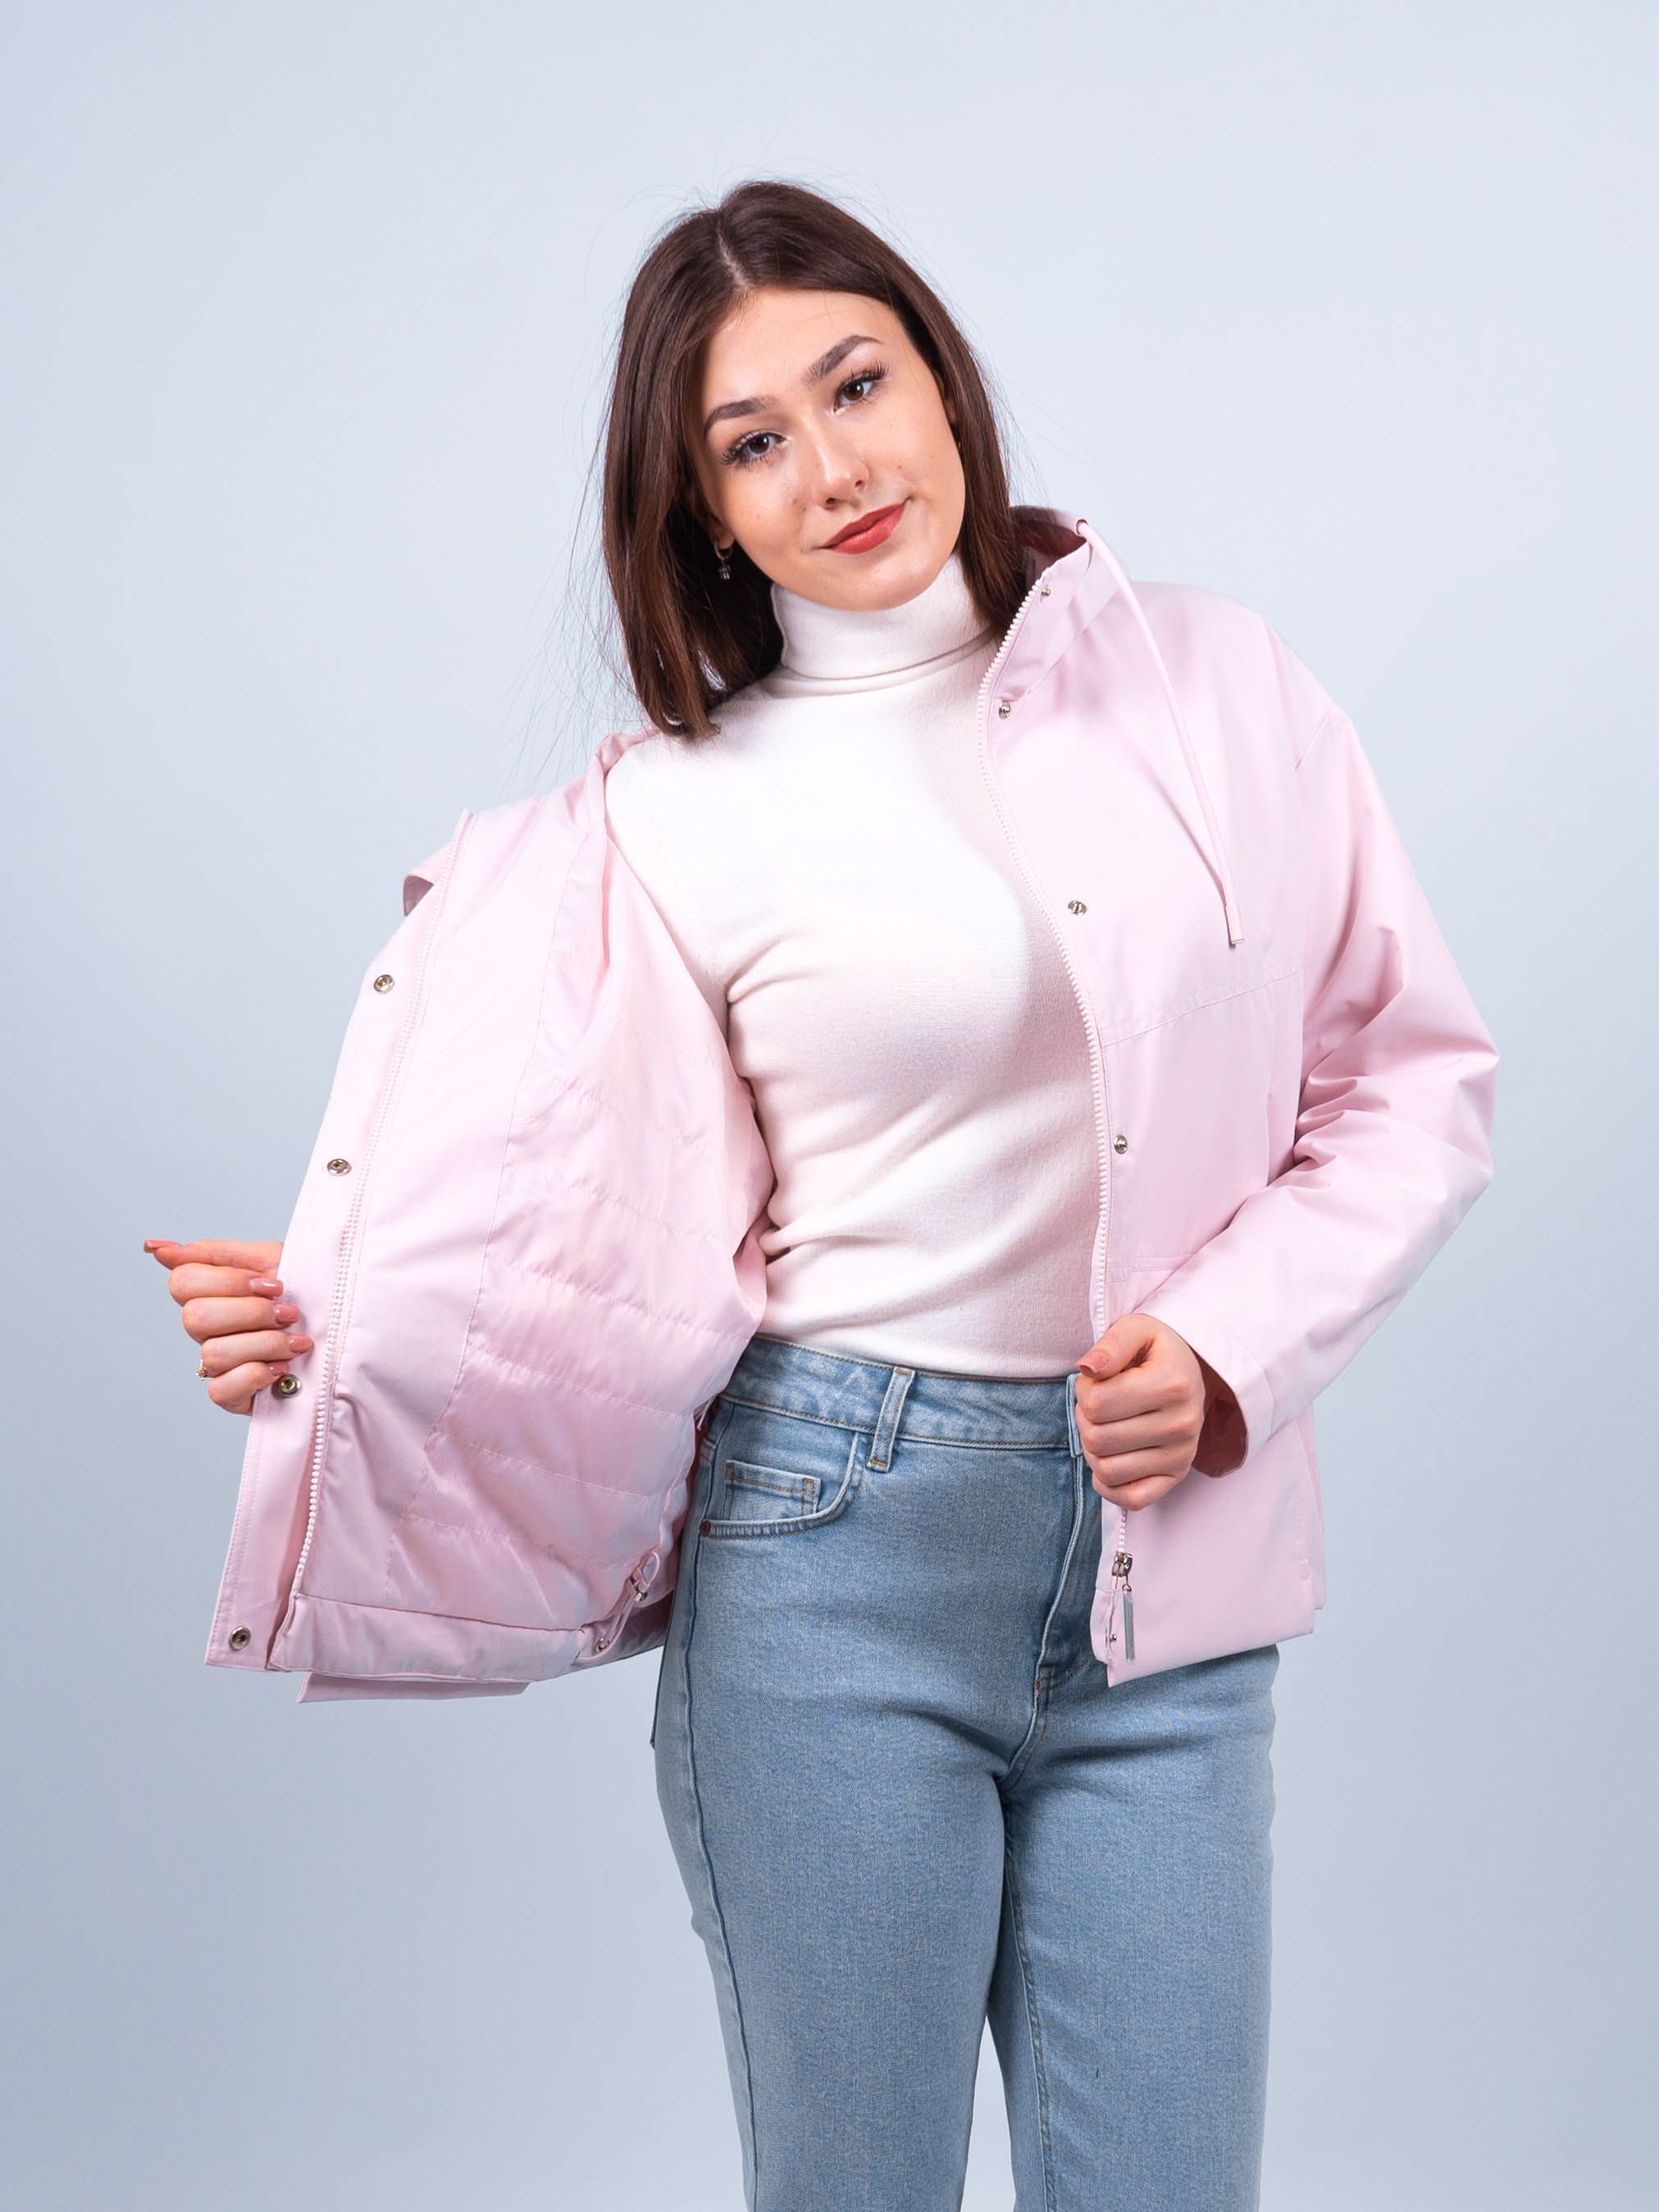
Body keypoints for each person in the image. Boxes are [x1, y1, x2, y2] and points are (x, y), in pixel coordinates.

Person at [146, 179, 1498, 2210]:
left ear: (939, 376)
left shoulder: (1218, 685)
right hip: (830, 1554)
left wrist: (1229, 1349)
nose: (832, 467)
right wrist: (326, 1313)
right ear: (701, 510)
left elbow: (1408, 1078)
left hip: (1168, 1580)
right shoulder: (665, 818)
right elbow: (576, 1232)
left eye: (854, 386)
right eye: (751, 441)